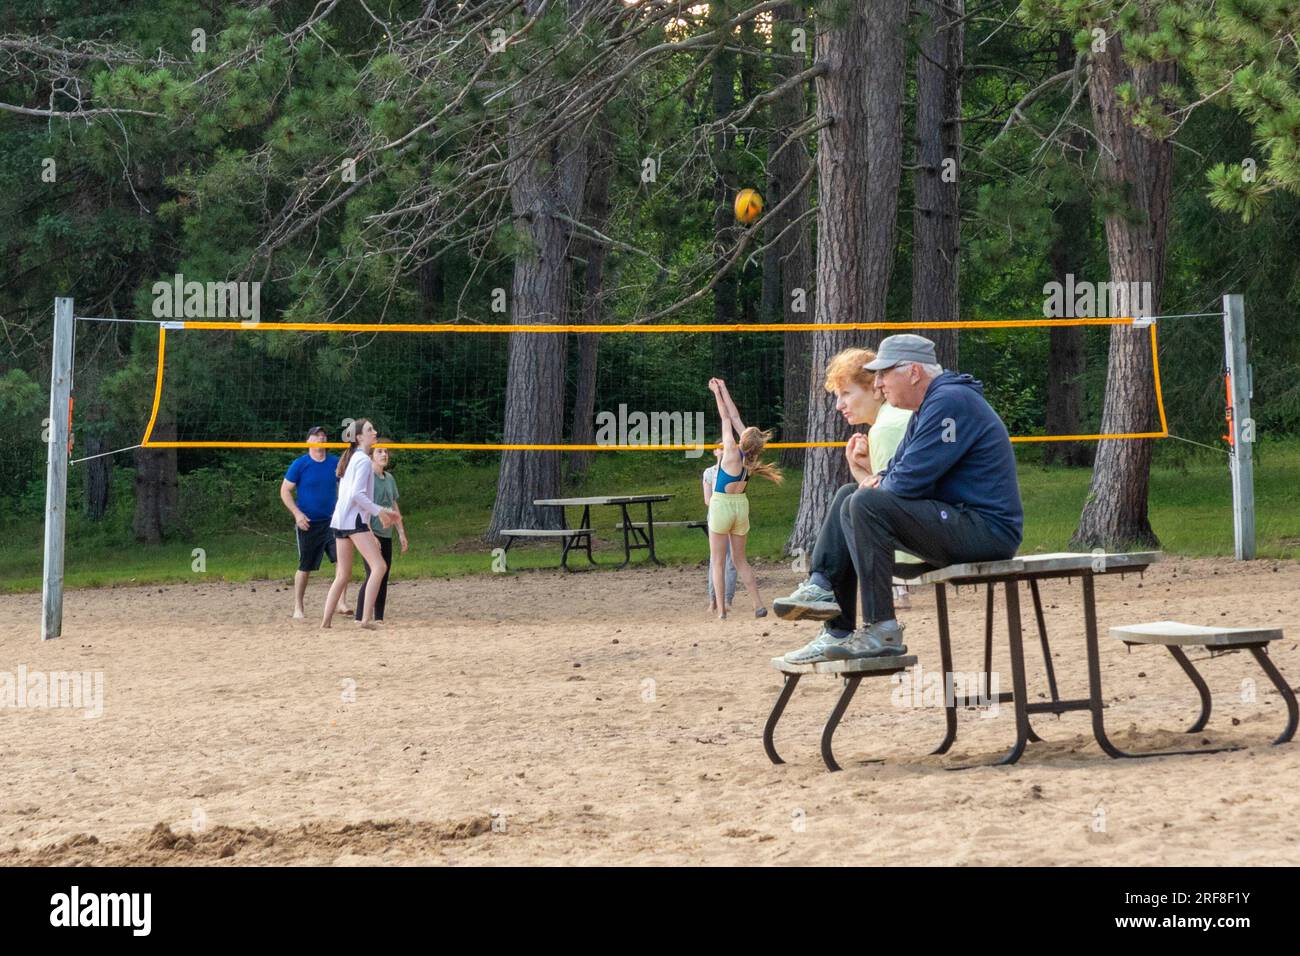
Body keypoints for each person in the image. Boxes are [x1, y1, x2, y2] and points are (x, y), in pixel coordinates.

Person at [777, 334, 1024, 662]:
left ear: (913, 372)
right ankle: (829, 609)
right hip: (956, 522)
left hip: (986, 531)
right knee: (850, 495)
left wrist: (881, 483)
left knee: (863, 501)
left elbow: (906, 481)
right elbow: (897, 470)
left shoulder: (949, 401)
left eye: (883, 374)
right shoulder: (928, 405)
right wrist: (876, 480)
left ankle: (883, 630)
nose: (878, 383)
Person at [706, 377, 782, 619]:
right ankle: (758, 604)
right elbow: (736, 419)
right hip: (741, 506)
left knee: (717, 562)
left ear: (744, 439)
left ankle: (721, 611)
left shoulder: (729, 449)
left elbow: (727, 418)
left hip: (721, 505)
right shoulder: (751, 457)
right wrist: (725, 388)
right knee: (740, 561)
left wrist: (716, 393)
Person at [322, 419, 399, 630]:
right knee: (379, 566)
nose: (374, 432)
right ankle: (365, 620)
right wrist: (379, 511)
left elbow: (350, 494)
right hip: (353, 521)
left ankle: (325, 622)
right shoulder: (363, 460)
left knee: (343, 574)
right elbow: (357, 494)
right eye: (370, 430)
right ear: (359, 437)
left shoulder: (354, 458)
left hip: (339, 520)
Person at [280, 426, 350, 620]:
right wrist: (297, 514)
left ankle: (341, 602)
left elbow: (346, 486)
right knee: (305, 567)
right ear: (308, 441)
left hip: (332, 522)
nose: (321, 438)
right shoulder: (300, 464)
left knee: (341, 561)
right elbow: (284, 490)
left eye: (324, 435)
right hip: (308, 523)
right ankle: (298, 606)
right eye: (317, 435)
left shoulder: (335, 463)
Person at [355, 439, 408, 625]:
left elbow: (393, 505)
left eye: (386, 452)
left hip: (386, 533)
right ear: (371, 456)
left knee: (384, 576)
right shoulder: (367, 477)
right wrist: (369, 533)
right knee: (373, 574)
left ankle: (379, 618)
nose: (384, 454)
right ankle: (360, 616)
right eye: (380, 452)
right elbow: (362, 506)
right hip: (369, 531)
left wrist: (401, 532)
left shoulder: (390, 478)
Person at [702, 448, 738, 613]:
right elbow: (708, 500)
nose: (723, 451)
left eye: (726, 448)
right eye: (720, 449)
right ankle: (713, 601)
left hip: (733, 516)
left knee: (732, 560)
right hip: (717, 517)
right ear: (715, 452)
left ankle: (727, 600)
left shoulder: (736, 469)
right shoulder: (709, 472)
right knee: (715, 560)